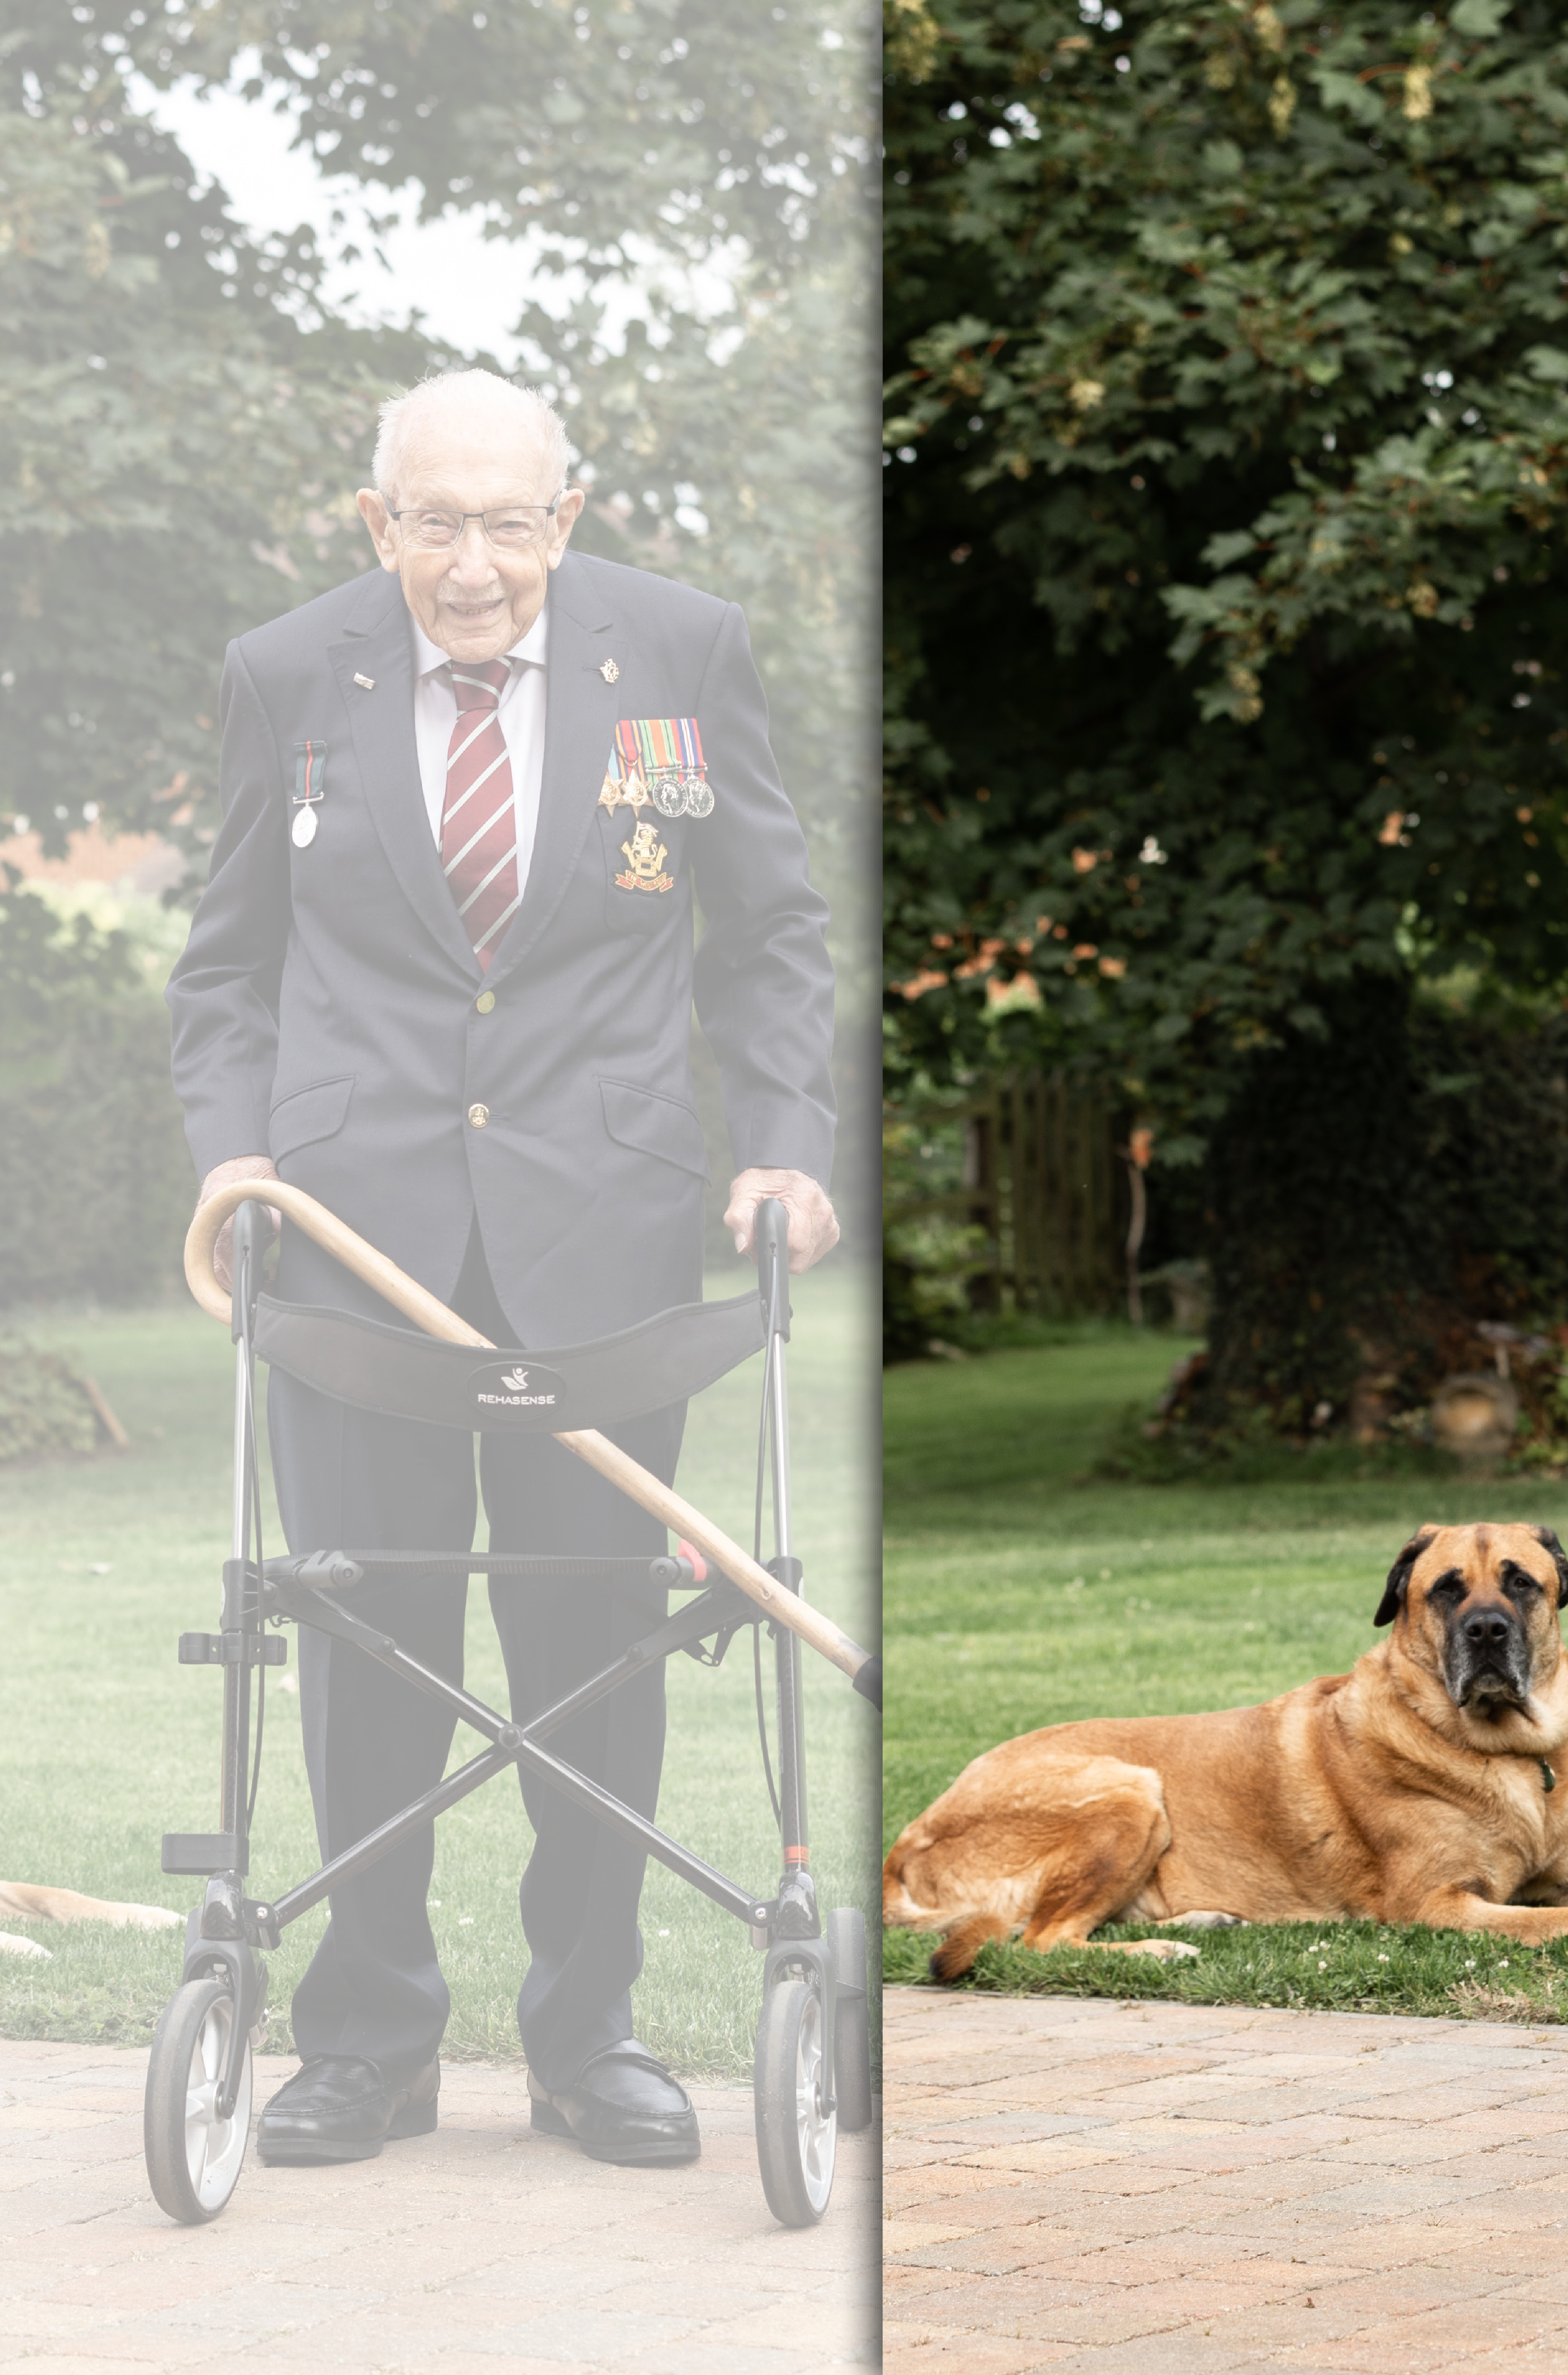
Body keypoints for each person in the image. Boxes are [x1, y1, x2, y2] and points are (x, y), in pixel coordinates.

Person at [168, 369, 839, 2170]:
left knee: (590, 1650)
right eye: (437, 525)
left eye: (512, 522)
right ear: (375, 522)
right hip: (349, 1247)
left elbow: (768, 931)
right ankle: (369, 2041)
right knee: (366, 1634)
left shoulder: (682, 653)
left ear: (572, 509)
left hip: (604, 1238)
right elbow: (225, 965)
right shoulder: (288, 671)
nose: (477, 566)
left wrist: (784, 1141)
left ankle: (586, 2035)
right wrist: (235, 1153)